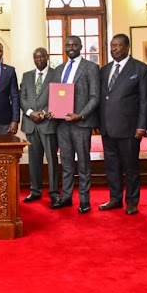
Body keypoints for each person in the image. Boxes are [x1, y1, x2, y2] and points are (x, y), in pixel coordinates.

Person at [97, 34, 147, 215]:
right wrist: (98, 122)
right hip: (107, 127)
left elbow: (145, 100)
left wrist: (142, 126)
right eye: (112, 46)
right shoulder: (104, 70)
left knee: (131, 167)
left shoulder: (141, 69)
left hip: (129, 128)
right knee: (111, 166)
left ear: (128, 47)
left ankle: (132, 201)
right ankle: (115, 198)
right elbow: (102, 99)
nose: (115, 49)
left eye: (119, 46)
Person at [51, 36, 100, 213]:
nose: (71, 48)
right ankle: (66, 197)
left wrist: (81, 115)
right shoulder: (59, 69)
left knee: (84, 164)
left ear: (80, 46)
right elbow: (55, 94)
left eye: (74, 45)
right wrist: (52, 111)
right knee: (66, 162)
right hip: (62, 124)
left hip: (81, 123)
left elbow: (95, 96)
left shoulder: (91, 68)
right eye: (68, 45)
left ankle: (84, 200)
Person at [20, 48, 60, 204]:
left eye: (42, 56)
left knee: (51, 160)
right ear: (33, 59)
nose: (39, 59)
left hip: (48, 123)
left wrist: (42, 113)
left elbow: (58, 96)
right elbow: (22, 97)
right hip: (31, 124)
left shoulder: (55, 74)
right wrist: (30, 112)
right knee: (34, 159)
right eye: (36, 57)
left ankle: (54, 192)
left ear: (47, 57)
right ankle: (35, 190)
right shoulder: (27, 76)